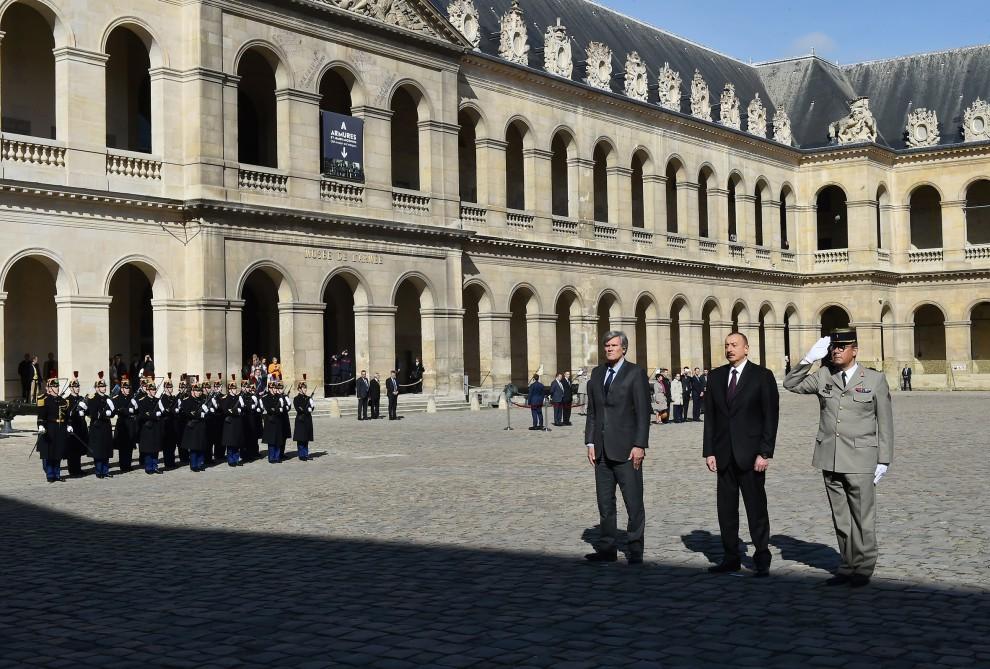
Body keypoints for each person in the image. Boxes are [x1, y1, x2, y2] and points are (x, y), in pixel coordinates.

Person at [784, 329, 894, 587]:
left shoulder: (875, 379)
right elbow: (790, 384)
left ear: (855, 350)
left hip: (861, 459)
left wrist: (884, 459)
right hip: (830, 457)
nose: (836, 350)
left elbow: (885, 422)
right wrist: (808, 359)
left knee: (862, 517)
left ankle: (863, 567)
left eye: (842, 346)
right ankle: (847, 565)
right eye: (834, 346)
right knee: (841, 516)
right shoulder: (824, 375)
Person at [702, 332, 780, 577]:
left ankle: (761, 556)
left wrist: (764, 452)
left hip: (751, 455)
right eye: (727, 345)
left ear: (746, 348)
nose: (729, 349)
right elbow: (711, 418)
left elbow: (770, 417)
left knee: (756, 508)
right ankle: (730, 557)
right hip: (724, 454)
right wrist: (709, 451)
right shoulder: (716, 377)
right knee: (726, 511)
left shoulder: (762, 376)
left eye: (734, 345)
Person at [584, 331, 651, 564]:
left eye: (613, 345)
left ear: (624, 348)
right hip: (601, 450)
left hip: (627, 449)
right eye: (607, 345)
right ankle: (607, 548)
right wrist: (590, 442)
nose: (609, 349)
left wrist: (639, 444)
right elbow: (593, 412)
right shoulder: (597, 373)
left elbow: (643, 412)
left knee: (633, 502)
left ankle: (635, 549)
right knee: (605, 503)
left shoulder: (635, 373)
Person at [36, 377, 69, 483]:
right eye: (54, 386)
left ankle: (57, 474)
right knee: (50, 453)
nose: (57, 388)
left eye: (57, 386)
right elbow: (41, 416)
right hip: (50, 428)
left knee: (58, 452)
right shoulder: (45, 400)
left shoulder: (63, 400)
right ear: (49, 388)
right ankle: (50, 474)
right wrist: (41, 425)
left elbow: (67, 416)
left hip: (60, 429)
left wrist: (69, 425)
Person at [87, 373, 115, 479]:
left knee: (106, 448)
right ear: (97, 388)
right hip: (97, 427)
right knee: (98, 450)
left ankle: (105, 470)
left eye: (104, 386)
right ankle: (99, 471)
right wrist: (104, 414)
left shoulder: (108, 398)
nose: (104, 388)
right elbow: (93, 413)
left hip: (106, 426)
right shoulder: (93, 398)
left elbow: (113, 412)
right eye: (102, 386)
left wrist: (111, 411)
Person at [180, 381, 209, 472]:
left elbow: (207, 415)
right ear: (192, 391)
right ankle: (193, 465)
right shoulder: (187, 401)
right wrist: (201, 415)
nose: (199, 392)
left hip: (201, 426)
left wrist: (207, 412)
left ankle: (200, 464)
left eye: (200, 390)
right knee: (193, 447)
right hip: (193, 426)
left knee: (201, 446)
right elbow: (189, 413)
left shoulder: (202, 400)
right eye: (197, 391)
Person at [137, 380, 163, 474]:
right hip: (147, 428)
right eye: (152, 389)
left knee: (155, 448)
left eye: (154, 389)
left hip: (156, 427)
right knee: (148, 449)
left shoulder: (157, 400)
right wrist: (154, 415)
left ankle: (155, 466)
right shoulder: (142, 401)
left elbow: (161, 411)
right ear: (147, 391)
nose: (154, 391)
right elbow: (142, 415)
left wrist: (156, 414)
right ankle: (148, 467)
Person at [113, 377, 139, 473]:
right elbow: (118, 410)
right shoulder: (117, 398)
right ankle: (123, 465)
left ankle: (128, 464)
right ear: (122, 389)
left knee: (129, 445)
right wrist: (128, 410)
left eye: (128, 388)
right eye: (126, 388)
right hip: (122, 424)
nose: (128, 390)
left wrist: (135, 408)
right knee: (122, 446)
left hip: (130, 424)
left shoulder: (131, 398)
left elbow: (136, 410)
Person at [65, 372, 89, 477]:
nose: (77, 388)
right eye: (75, 387)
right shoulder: (67, 400)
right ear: (71, 388)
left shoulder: (81, 398)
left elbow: (89, 412)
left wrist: (85, 409)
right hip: (72, 427)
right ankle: (72, 470)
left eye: (78, 386)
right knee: (72, 450)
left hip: (81, 427)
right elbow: (66, 415)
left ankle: (78, 469)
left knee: (79, 450)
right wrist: (68, 425)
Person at [221, 376, 244, 467]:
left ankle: (236, 459)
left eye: (235, 388)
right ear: (229, 390)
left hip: (237, 423)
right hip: (230, 423)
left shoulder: (238, 398)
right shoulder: (225, 398)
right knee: (230, 443)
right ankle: (231, 460)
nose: (235, 390)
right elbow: (225, 410)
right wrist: (236, 411)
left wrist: (241, 406)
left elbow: (242, 410)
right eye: (233, 389)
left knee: (237, 442)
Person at [261, 380, 284, 463]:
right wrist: (278, 409)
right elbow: (269, 409)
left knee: (278, 440)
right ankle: (271, 458)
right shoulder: (265, 397)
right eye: (274, 388)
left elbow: (281, 409)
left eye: (276, 388)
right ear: (270, 388)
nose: (275, 389)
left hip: (278, 420)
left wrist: (277, 409)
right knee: (271, 441)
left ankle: (277, 457)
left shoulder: (279, 397)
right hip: (270, 421)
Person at [293, 378, 315, 460]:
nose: (305, 389)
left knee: (306, 438)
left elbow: (311, 408)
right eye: (303, 388)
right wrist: (307, 409)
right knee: (301, 439)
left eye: (305, 388)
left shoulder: (308, 398)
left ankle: (306, 454)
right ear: (299, 389)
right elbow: (299, 409)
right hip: (300, 420)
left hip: (307, 420)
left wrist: (312, 406)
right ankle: (301, 455)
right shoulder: (296, 398)